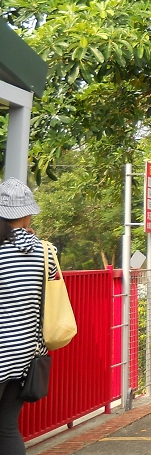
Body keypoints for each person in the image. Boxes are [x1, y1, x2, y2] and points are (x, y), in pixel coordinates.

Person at [0, 178, 57, 455]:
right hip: (25, 354)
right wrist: (31, 237)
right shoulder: (45, 251)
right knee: (7, 427)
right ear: (27, 214)